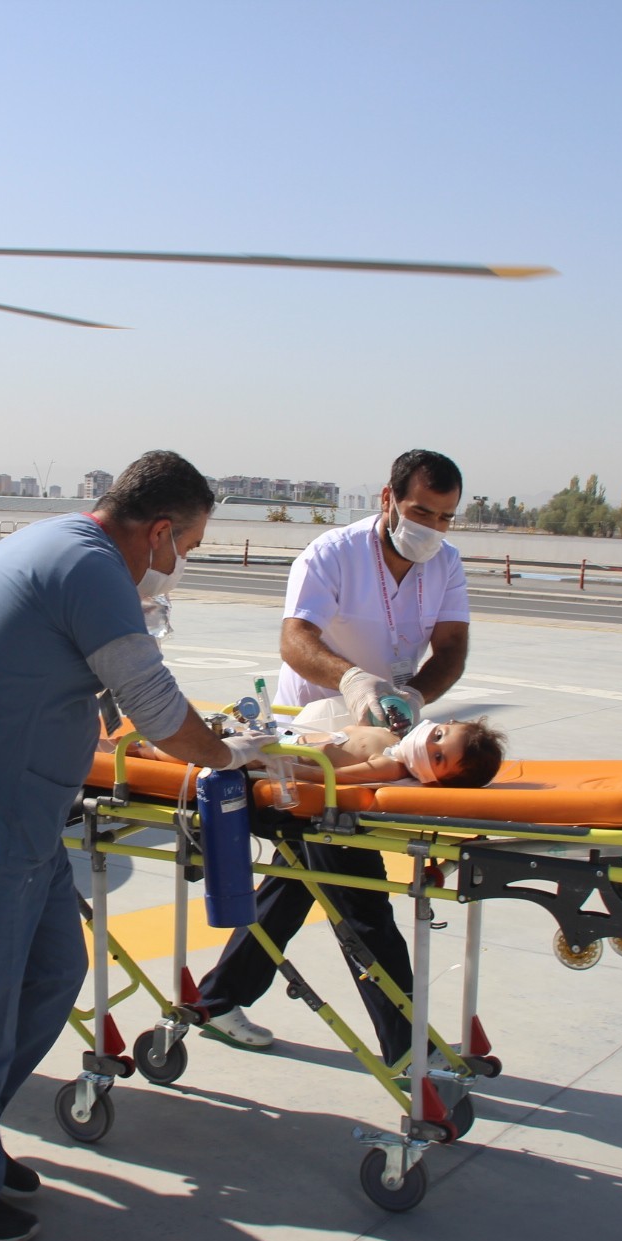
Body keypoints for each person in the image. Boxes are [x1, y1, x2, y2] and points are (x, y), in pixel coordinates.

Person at [0, 450, 274, 1241]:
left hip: (15, 829)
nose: (182, 564)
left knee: (55, 974)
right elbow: (153, 701)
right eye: (189, 547)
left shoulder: (56, 542)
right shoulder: (87, 565)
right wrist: (230, 756)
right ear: (159, 531)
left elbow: (102, 692)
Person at [197, 448, 470, 1065]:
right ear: (388, 499)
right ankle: (408, 1051)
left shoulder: (445, 563)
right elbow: (296, 639)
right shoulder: (333, 554)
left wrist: (415, 695)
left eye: (445, 517)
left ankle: (216, 999)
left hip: (381, 737)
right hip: (314, 753)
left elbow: (452, 647)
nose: (432, 528)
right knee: (359, 895)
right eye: (421, 512)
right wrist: (352, 680)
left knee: (296, 880)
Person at [127, 715, 505, 789]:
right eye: (438, 735)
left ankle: (145, 753)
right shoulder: (396, 739)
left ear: (436, 779)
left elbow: (335, 777)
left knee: (212, 752)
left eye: (438, 758)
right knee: (221, 734)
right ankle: (147, 743)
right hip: (291, 739)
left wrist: (285, 770)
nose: (429, 744)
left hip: (288, 757)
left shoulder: (392, 766)